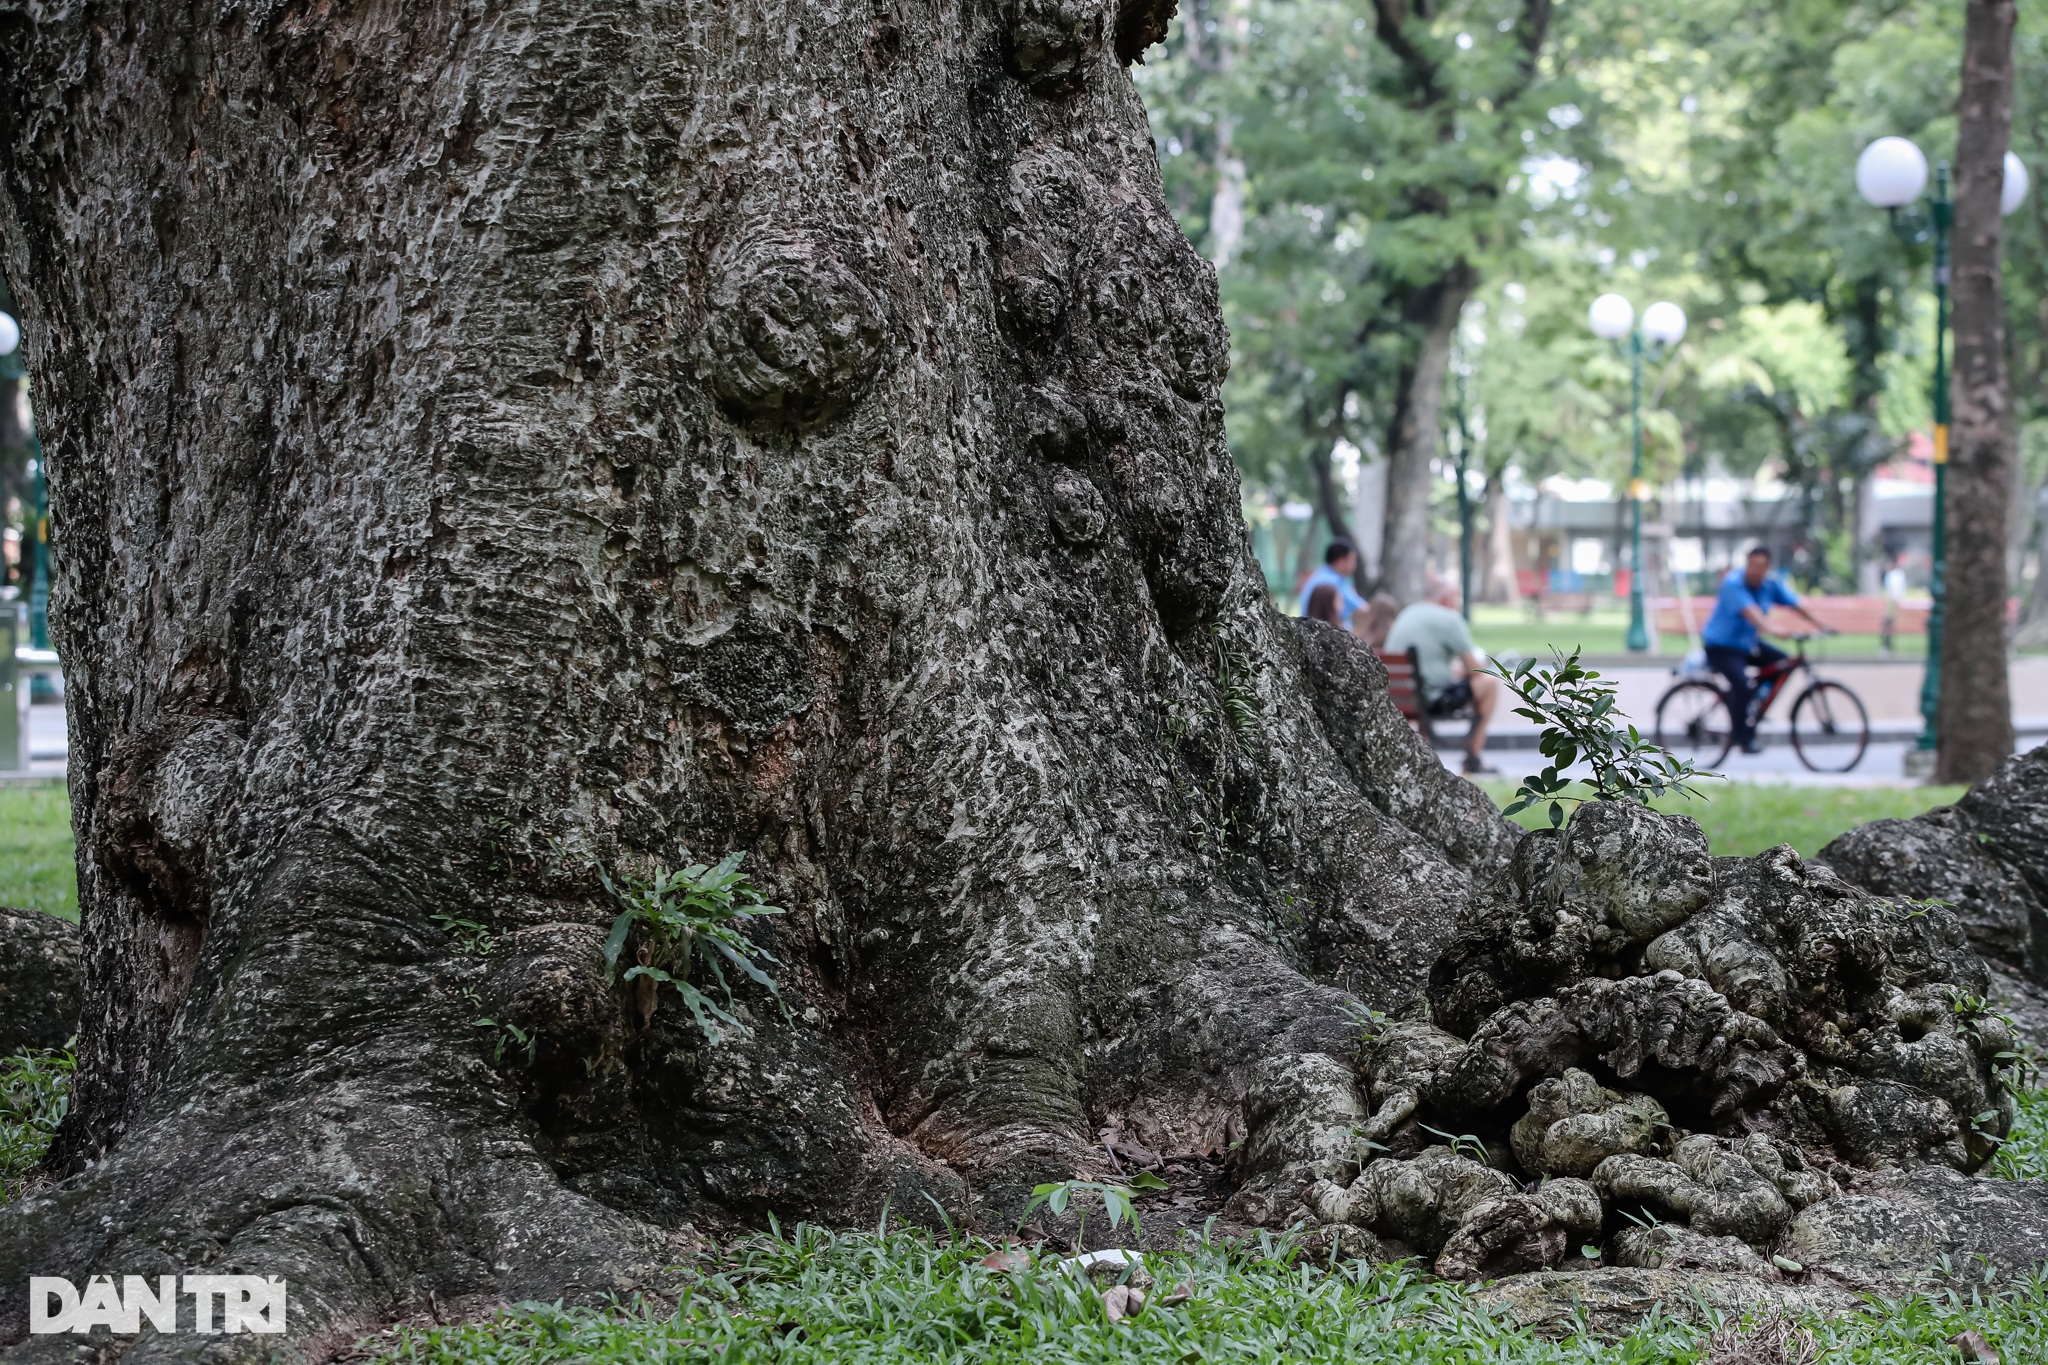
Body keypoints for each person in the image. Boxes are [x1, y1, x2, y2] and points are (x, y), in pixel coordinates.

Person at [1700, 546, 1827, 755]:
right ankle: (1742, 737)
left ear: (1767, 567)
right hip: (1721, 647)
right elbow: (1752, 613)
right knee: (1742, 686)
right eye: (1752, 565)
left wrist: (1820, 625)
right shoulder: (1733, 583)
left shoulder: (1770, 584)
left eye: (1760, 566)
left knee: (1781, 662)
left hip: (1747, 644)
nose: (1755, 571)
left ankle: (1755, 701)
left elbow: (1795, 604)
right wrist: (1773, 629)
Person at [1385, 583, 1501, 775]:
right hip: (1429, 698)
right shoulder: (1449, 619)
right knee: (1490, 683)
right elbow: (1477, 670)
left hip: (1398, 696)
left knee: (1431, 685)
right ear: (1446, 599)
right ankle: (1473, 757)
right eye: (1457, 599)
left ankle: (1422, 753)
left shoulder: (1408, 612)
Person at [1299, 541, 1367, 631]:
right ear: (1341, 560)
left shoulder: (1319, 575)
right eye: (1353, 560)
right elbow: (1363, 609)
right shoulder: (1332, 582)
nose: (1354, 566)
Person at [1880, 553, 1909, 657]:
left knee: (1887, 625)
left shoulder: (1895, 574)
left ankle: (1886, 647)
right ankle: (1887, 646)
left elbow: (1891, 590)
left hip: (1892, 601)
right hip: (1893, 601)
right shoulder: (1897, 574)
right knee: (1888, 625)